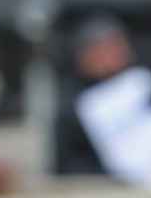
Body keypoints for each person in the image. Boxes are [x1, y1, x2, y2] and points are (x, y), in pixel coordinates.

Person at [52, 15, 135, 176]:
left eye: (116, 49)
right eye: (101, 50)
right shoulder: (73, 107)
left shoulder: (146, 91)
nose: (110, 58)